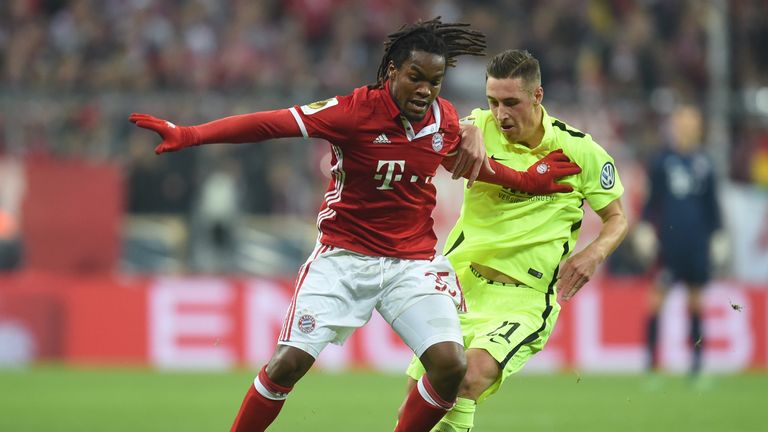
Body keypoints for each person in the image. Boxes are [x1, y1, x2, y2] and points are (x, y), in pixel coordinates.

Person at [130, 19, 580, 432]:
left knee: (450, 364)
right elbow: (270, 124)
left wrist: (526, 178)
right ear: (391, 73)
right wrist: (191, 134)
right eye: (415, 78)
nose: (425, 90)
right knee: (287, 364)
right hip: (343, 258)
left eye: (435, 81)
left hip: (412, 262)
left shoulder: (444, 120)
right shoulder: (352, 113)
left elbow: (474, 166)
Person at [398, 49, 628, 432]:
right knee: (418, 399)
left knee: (467, 378)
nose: (500, 114)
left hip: (522, 299)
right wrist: (462, 128)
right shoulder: (476, 128)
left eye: (511, 103)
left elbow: (617, 218)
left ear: (537, 96)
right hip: (459, 285)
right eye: (492, 102)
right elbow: (432, 147)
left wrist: (595, 253)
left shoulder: (580, 150)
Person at [637, 103, 723, 379]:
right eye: (681, 123)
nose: (685, 128)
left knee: (696, 303)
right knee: (656, 300)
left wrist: (719, 235)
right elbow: (652, 202)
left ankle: (696, 367)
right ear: (674, 126)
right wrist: (645, 228)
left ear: (698, 128)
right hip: (669, 244)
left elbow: (712, 205)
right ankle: (651, 365)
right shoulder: (662, 161)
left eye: (691, 123)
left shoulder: (706, 163)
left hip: (696, 243)